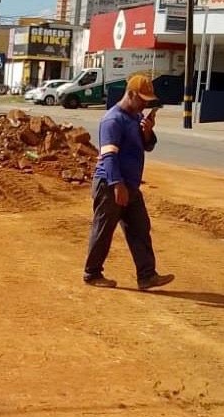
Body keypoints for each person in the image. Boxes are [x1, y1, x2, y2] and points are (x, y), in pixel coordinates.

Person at [83, 74, 175, 291]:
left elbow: (146, 146)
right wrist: (117, 184)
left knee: (140, 228)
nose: (145, 104)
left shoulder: (135, 117)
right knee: (104, 230)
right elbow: (109, 156)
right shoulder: (112, 120)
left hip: (130, 185)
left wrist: (147, 132)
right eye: (142, 99)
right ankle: (92, 273)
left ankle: (147, 276)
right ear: (130, 94)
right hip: (110, 184)